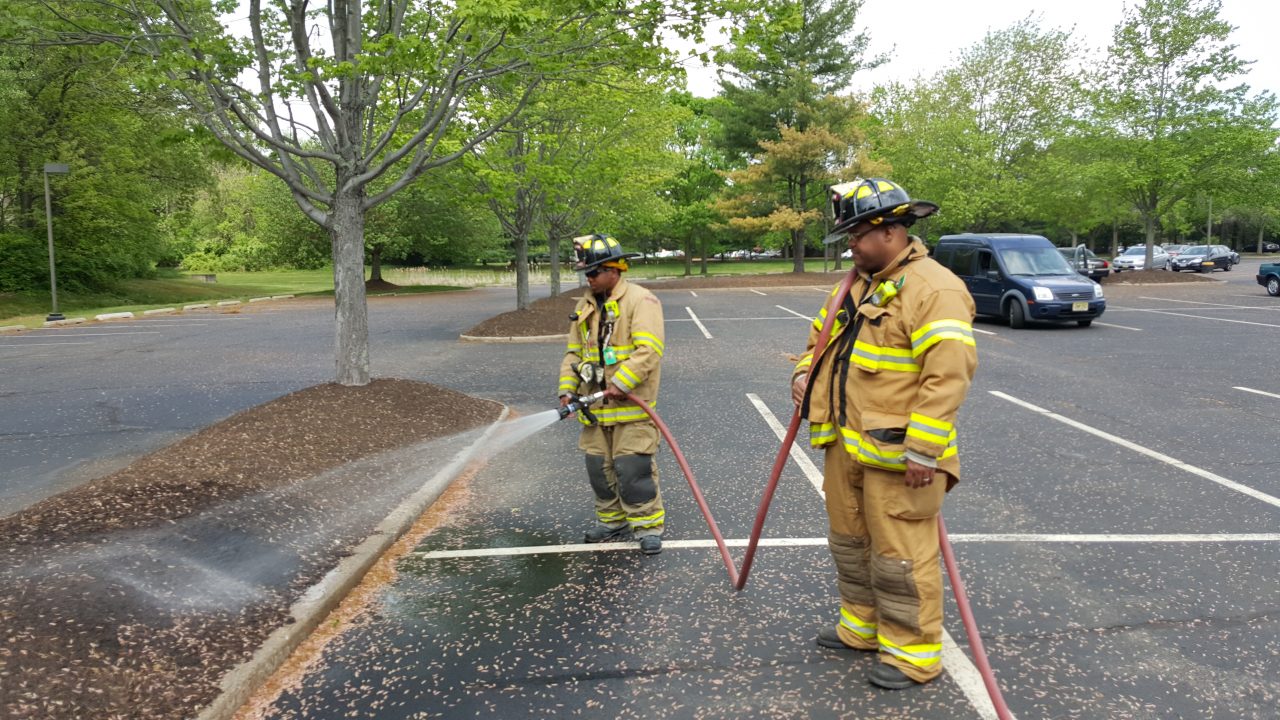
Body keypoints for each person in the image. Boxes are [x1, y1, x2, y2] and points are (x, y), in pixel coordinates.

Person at [791, 178, 978, 689]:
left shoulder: (935, 289)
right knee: (850, 543)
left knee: (900, 557)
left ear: (891, 232)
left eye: (856, 235)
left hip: (900, 456)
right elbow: (818, 343)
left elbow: (947, 377)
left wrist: (923, 450)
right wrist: (803, 375)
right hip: (846, 446)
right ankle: (861, 627)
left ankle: (911, 654)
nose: (849, 245)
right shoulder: (854, 285)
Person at [558, 234, 667, 555]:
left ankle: (647, 526)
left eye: (593, 272)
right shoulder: (585, 306)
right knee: (598, 469)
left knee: (633, 470)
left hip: (630, 408)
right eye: (586, 273)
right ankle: (612, 522)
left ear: (614, 270)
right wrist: (567, 389)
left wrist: (622, 382)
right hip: (594, 410)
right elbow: (573, 353)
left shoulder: (641, 301)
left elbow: (649, 350)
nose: (588, 278)